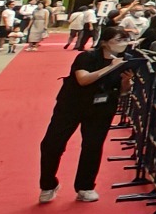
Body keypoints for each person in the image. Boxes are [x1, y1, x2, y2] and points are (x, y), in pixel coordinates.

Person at [38, 24, 130, 203]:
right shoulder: (86, 57)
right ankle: (48, 184)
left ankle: (85, 186)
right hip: (71, 105)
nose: (123, 43)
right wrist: (111, 67)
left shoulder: (125, 60)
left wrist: (126, 82)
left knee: (92, 146)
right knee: (52, 144)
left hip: (102, 108)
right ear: (104, 42)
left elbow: (123, 91)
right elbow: (83, 79)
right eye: (118, 40)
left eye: (126, 39)